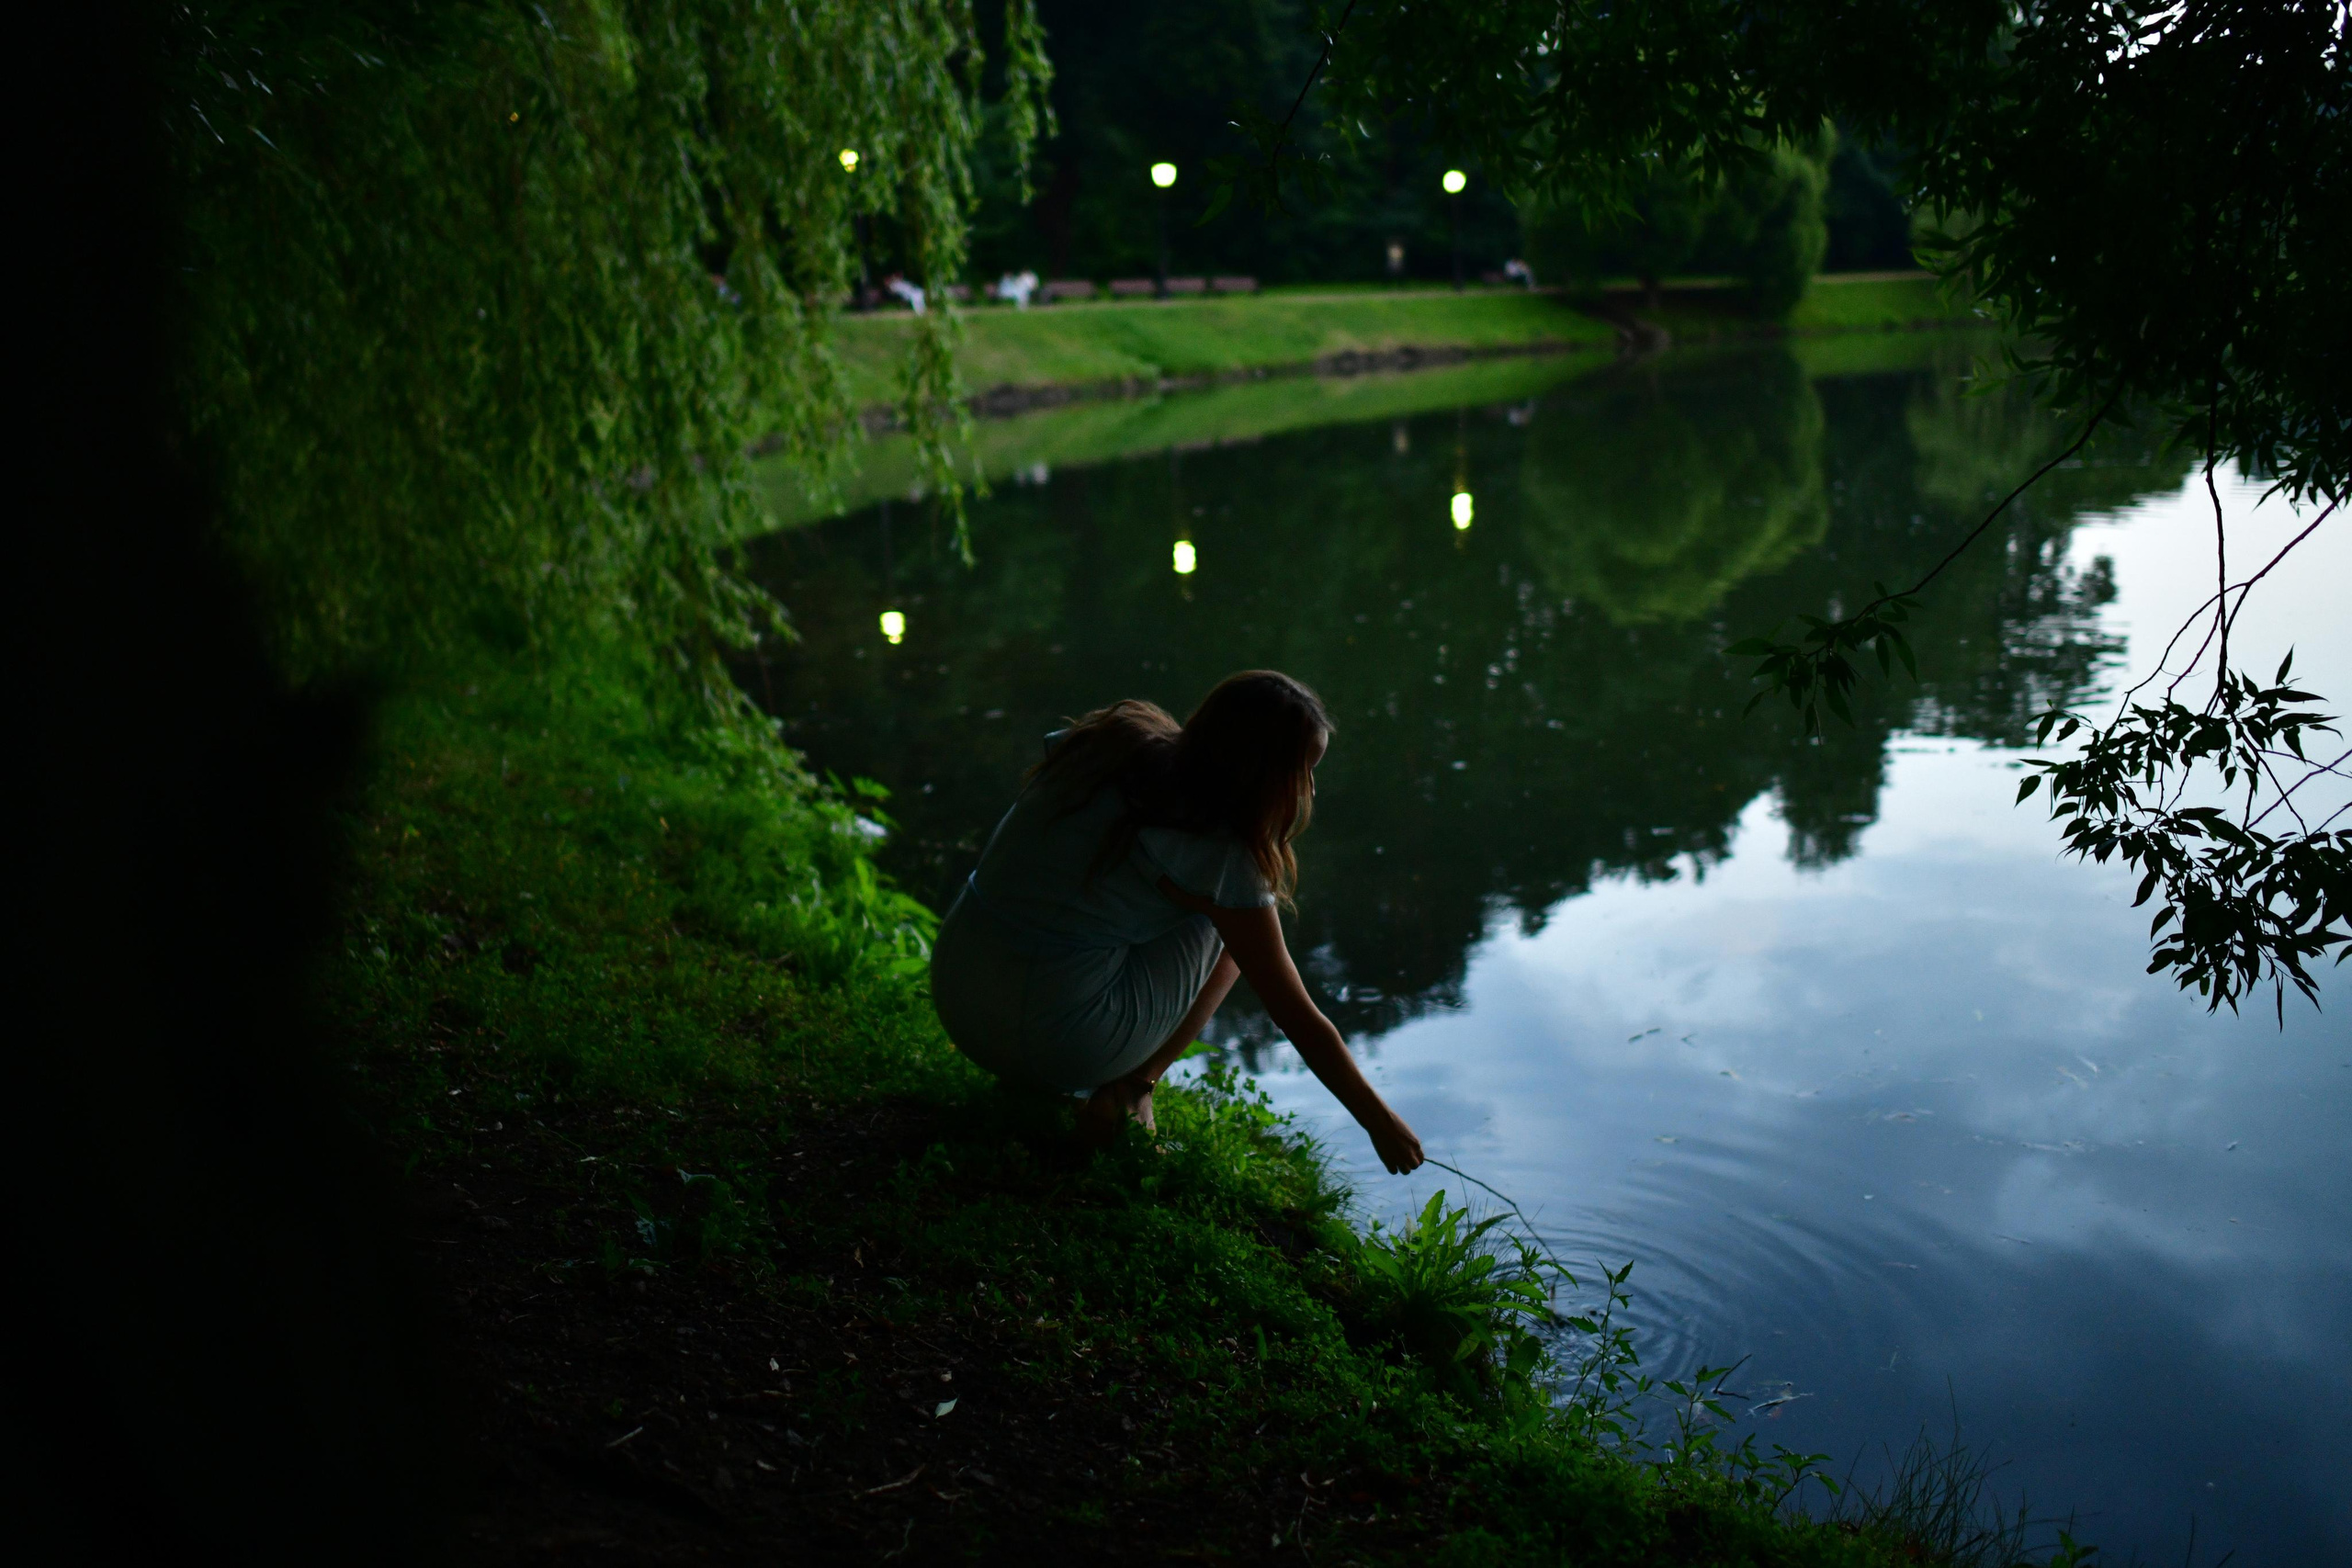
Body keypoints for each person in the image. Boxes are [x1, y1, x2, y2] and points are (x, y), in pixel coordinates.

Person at [930, 671, 1425, 1173]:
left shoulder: (1110, 743)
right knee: (1240, 930)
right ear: (1259, 771)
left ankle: (1042, 1075)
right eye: (1300, 771)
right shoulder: (1221, 850)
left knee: (1224, 909)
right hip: (1054, 1042)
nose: (1310, 787)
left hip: (957, 991)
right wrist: (1378, 1120)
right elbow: (1294, 1013)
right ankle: (1132, 1091)